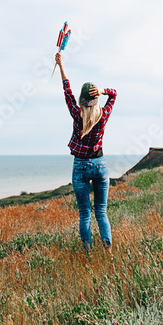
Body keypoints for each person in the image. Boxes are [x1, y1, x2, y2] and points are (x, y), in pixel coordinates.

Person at [55, 50, 117, 250]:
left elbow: (67, 91)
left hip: (80, 165)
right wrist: (102, 90)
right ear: (96, 98)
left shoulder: (76, 114)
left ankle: (87, 252)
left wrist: (61, 66)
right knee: (101, 212)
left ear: (82, 100)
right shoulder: (104, 115)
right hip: (100, 165)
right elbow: (114, 93)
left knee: (85, 214)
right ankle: (108, 251)